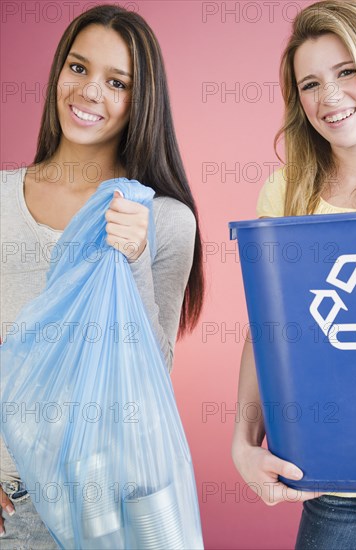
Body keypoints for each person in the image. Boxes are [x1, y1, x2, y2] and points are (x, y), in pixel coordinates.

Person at [232, 1, 356, 549]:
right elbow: (269, 332)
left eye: (347, 72)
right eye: (310, 84)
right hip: (338, 477)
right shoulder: (286, 194)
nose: (330, 97)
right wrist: (243, 440)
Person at [0, 4, 204, 546]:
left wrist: (134, 255)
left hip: (113, 504)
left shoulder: (164, 220)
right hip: (8, 501)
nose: (90, 92)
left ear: (143, 101)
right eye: (78, 68)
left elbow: (150, 372)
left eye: (118, 82)